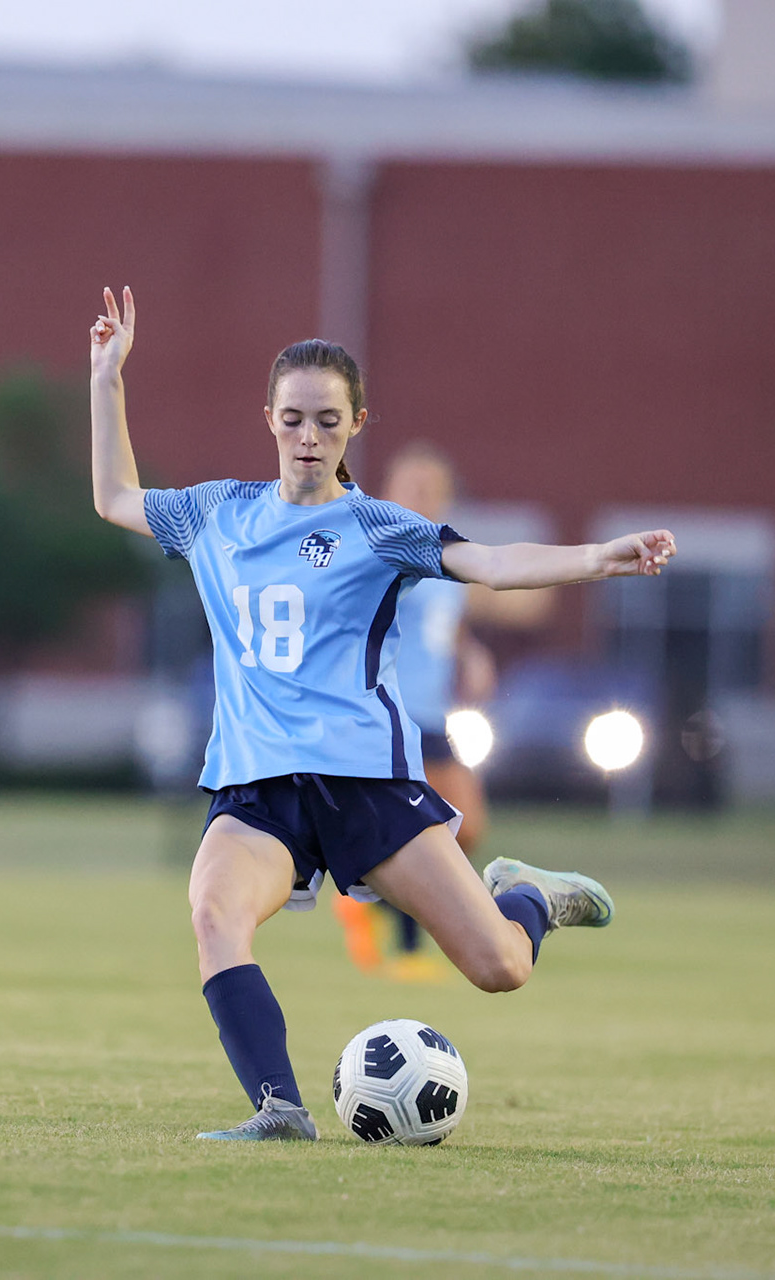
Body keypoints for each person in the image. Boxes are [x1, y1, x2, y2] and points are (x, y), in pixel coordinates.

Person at [88, 287, 676, 1141]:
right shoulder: (215, 513)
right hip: (258, 790)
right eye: (293, 419)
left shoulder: (378, 526)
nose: (308, 438)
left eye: (328, 421)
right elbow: (114, 497)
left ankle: (531, 897)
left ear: (357, 423)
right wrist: (107, 377)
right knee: (213, 914)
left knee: (500, 967)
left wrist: (599, 558)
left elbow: (496, 565)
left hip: (368, 783)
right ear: (269, 419)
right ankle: (280, 1109)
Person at [331, 441, 543, 982]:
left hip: (433, 714)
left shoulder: (442, 552)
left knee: (463, 827)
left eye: (431, 488)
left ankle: (368, 900)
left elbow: (450, 618)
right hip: (392, 712)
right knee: (427, 829)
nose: (420, 496)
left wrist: (470, 651)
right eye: (411, 486)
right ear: (392, 490)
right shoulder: (384, 547)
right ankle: (407, 948)